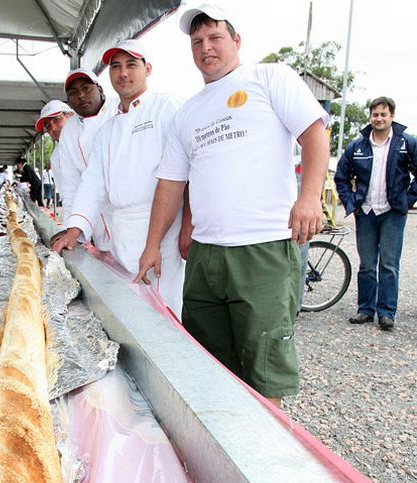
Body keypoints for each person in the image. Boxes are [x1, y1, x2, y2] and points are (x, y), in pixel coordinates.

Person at [135, 4, 329, 406]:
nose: (206, 48)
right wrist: (153, 244)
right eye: (197, 42)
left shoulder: (269, 77)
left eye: (215, 37)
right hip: (206, 257)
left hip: (262, 247)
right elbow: (171, 182)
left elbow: (314, 132)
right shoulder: (188, 112)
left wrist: (309, 197)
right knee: (207, 361)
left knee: (264, 366)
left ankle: (264, 455)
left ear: (236, 41)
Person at [52, 40, 186, 316]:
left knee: (166, 312)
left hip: (162, 232)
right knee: (134, 310)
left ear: (147, 69)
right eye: (116, 67)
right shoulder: (108, 130)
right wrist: (75, 228)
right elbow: (92, 184)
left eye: (131, 65)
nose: (123, 73)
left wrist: (185, 229)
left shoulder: (166, 108)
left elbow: (186, 173)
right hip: (122, 234)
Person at [334, 96, 417, 331]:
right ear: (370, 116)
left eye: (383, 114)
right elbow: (341, 177)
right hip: (367, 212)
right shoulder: (357, 145)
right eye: (375, 114)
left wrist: (407, 201)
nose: (379, 118)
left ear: (392, 116)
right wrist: (353, 203)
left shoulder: (405, 143)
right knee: (367, 265)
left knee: (389, 265)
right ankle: (365, 310)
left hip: (392, 212)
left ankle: (386, 313)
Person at [56, 67, 120, 251]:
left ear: (99, 89)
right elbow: (71, 187)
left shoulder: (119, 111)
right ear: (68, 101)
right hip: (96, 221)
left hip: (130, 220)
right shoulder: (69, 131)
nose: (81, 95)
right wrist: (72, 229)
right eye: (73, 93)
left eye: (86, 88)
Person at [34, 99, 73, 208]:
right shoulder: (56, 158)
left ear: (70, 115)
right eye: (48, 126)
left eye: (56, 120)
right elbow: (67, 196)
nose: (53, 128)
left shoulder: (94, 139)